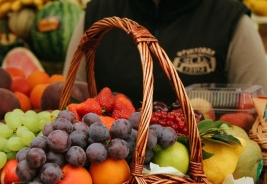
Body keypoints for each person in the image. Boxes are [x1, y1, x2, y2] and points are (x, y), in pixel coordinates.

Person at [63, 0, 267, 108]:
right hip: (111, 173)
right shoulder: (97, 14)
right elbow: (71, 99)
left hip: (206, 177)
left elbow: (261, 111)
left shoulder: (231, 20)